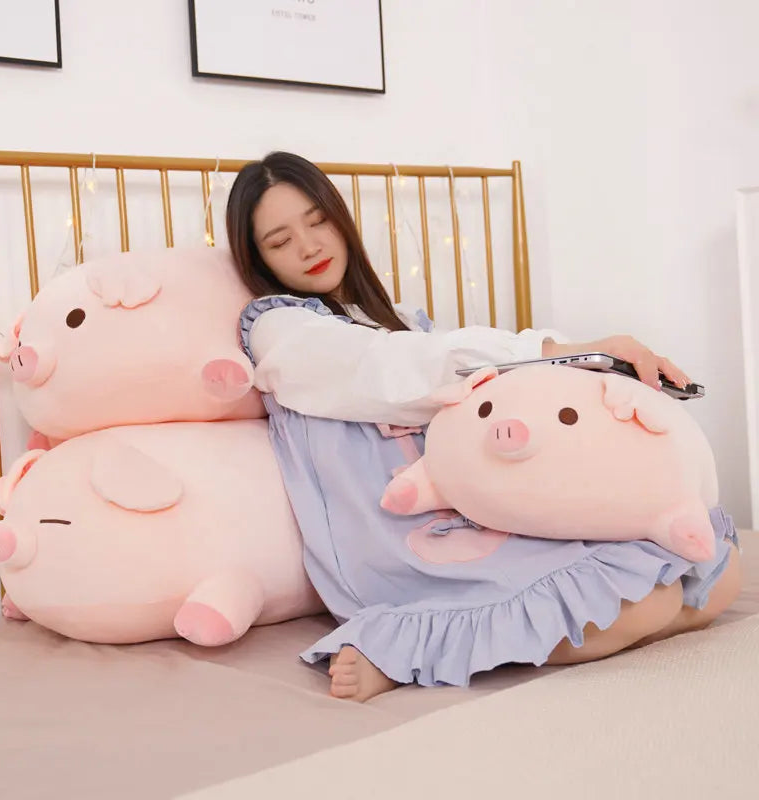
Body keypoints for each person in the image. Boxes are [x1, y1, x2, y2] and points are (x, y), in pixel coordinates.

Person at [226, 151, 742, 702]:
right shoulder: (279, 328)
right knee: (643, 603)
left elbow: (450, 372)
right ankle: (401, 645)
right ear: (258, 260)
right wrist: (563, 348)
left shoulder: (396, 320)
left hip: (474, 509)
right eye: (279, 241)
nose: (308, 247)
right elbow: (393, 370)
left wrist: (590, 367)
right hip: (391, 535)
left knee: (717, 577)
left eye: (317, 221)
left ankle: (523, 632)